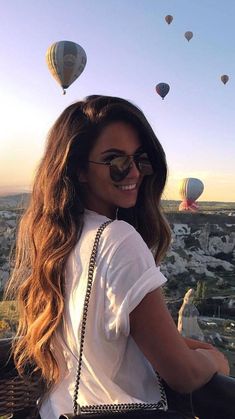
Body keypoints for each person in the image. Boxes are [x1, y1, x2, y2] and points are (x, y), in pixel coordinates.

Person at [5, 95, 229, 419]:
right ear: (79, 170)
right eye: (116, 162)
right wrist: (214, 361)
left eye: (141, 159)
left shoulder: (59, 239)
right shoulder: (118, 239)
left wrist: (184, 345)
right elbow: (185, 376)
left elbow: (103, 340)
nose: (134, 172)